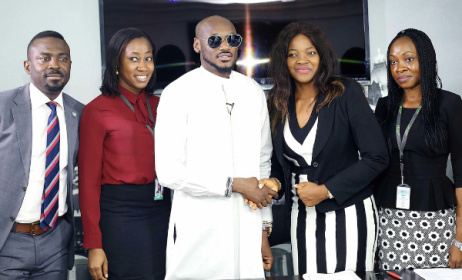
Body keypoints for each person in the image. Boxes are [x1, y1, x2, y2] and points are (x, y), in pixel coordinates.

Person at [155, 15, 278, 280]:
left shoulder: (253, 90)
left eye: (232, 40)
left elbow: (262, 162)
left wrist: (263, 230)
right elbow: (168, 172)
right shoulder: (177, 93)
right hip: (199, 231)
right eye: (214, 40)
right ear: (198, 46)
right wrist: (232, 184)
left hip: (248, 227)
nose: (225, 46)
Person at [266, 22, 389, 275]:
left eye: (310, 52)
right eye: (293, 54)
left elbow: (376, 157)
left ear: (322, 57)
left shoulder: (345, 92)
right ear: (284, 60)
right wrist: (275, 184)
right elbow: (280, 164)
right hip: (302, 216)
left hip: (350, 212)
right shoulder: (277, 102)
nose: (303, 60)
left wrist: (326, 190)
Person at [78, 28, 171, 280]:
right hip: (121, 214)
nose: (143, 66)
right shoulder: (96, 110)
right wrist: (94, 245)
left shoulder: (160, 105)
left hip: (162, 209)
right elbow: (87, 184)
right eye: (134, 58)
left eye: (148, 58)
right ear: (116, 64)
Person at [374, 28, 462, 270]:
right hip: (389, 217)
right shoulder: (384, 106)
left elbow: (461, 172)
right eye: (393, 62)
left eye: (408, 59)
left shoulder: (450, 104)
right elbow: (373, 162)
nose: (399, 68)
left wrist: (460, 240)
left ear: (426, 59)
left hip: (435, 218)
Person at [0, 30, 84, 279]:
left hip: (55, 241)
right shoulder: (4, 105)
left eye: (63, 58)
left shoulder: (79, 113)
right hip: (8, 239)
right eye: (44, 58)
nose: (54, 65)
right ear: (28, 65)